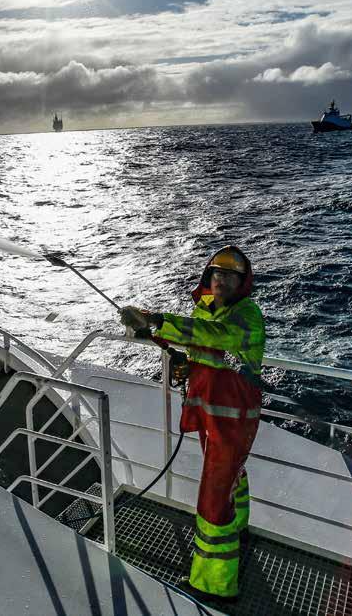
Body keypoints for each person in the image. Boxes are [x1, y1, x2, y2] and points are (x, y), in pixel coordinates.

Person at [119, 245, 265, 602]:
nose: (222, 281)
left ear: (243, 283)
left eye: (230, 276)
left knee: (213, 497)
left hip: (232, 417)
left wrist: (156, 320)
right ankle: (239, 527)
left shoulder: (248, 316)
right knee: (232, 477)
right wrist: (153, 336)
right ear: (208, 277)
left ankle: (214, 584)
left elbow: (212, 337)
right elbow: (202, 345)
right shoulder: (207, 308)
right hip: (212, 413)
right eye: (217, 274)